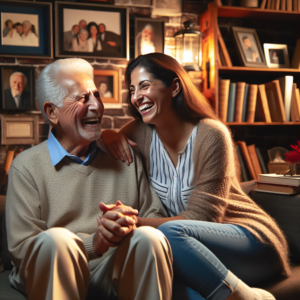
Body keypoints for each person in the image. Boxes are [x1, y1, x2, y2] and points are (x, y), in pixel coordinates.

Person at [101, 53, 291, 300]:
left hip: (250, 242)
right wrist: (107, 134)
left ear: (175, 87)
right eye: (132, 90)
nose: (136, 97)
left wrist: (131, 224)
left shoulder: (212, 134)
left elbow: (204, 218)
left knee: (169, 234)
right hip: (191, 252)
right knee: (164, 283)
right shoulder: (141, 133)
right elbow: (101, 142)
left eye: (144, 85)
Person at [5, 58, 173, 300]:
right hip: (55, 273)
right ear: (52, 112)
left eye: (96, 95)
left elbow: (155, 216)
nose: (96, 106)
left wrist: (126, 223)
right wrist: (95, 242)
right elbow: (22, 249)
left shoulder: (124, 155)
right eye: (83, 98)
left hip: (111, 270)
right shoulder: (26, 166)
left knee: (150, 237)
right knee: (57, 240)